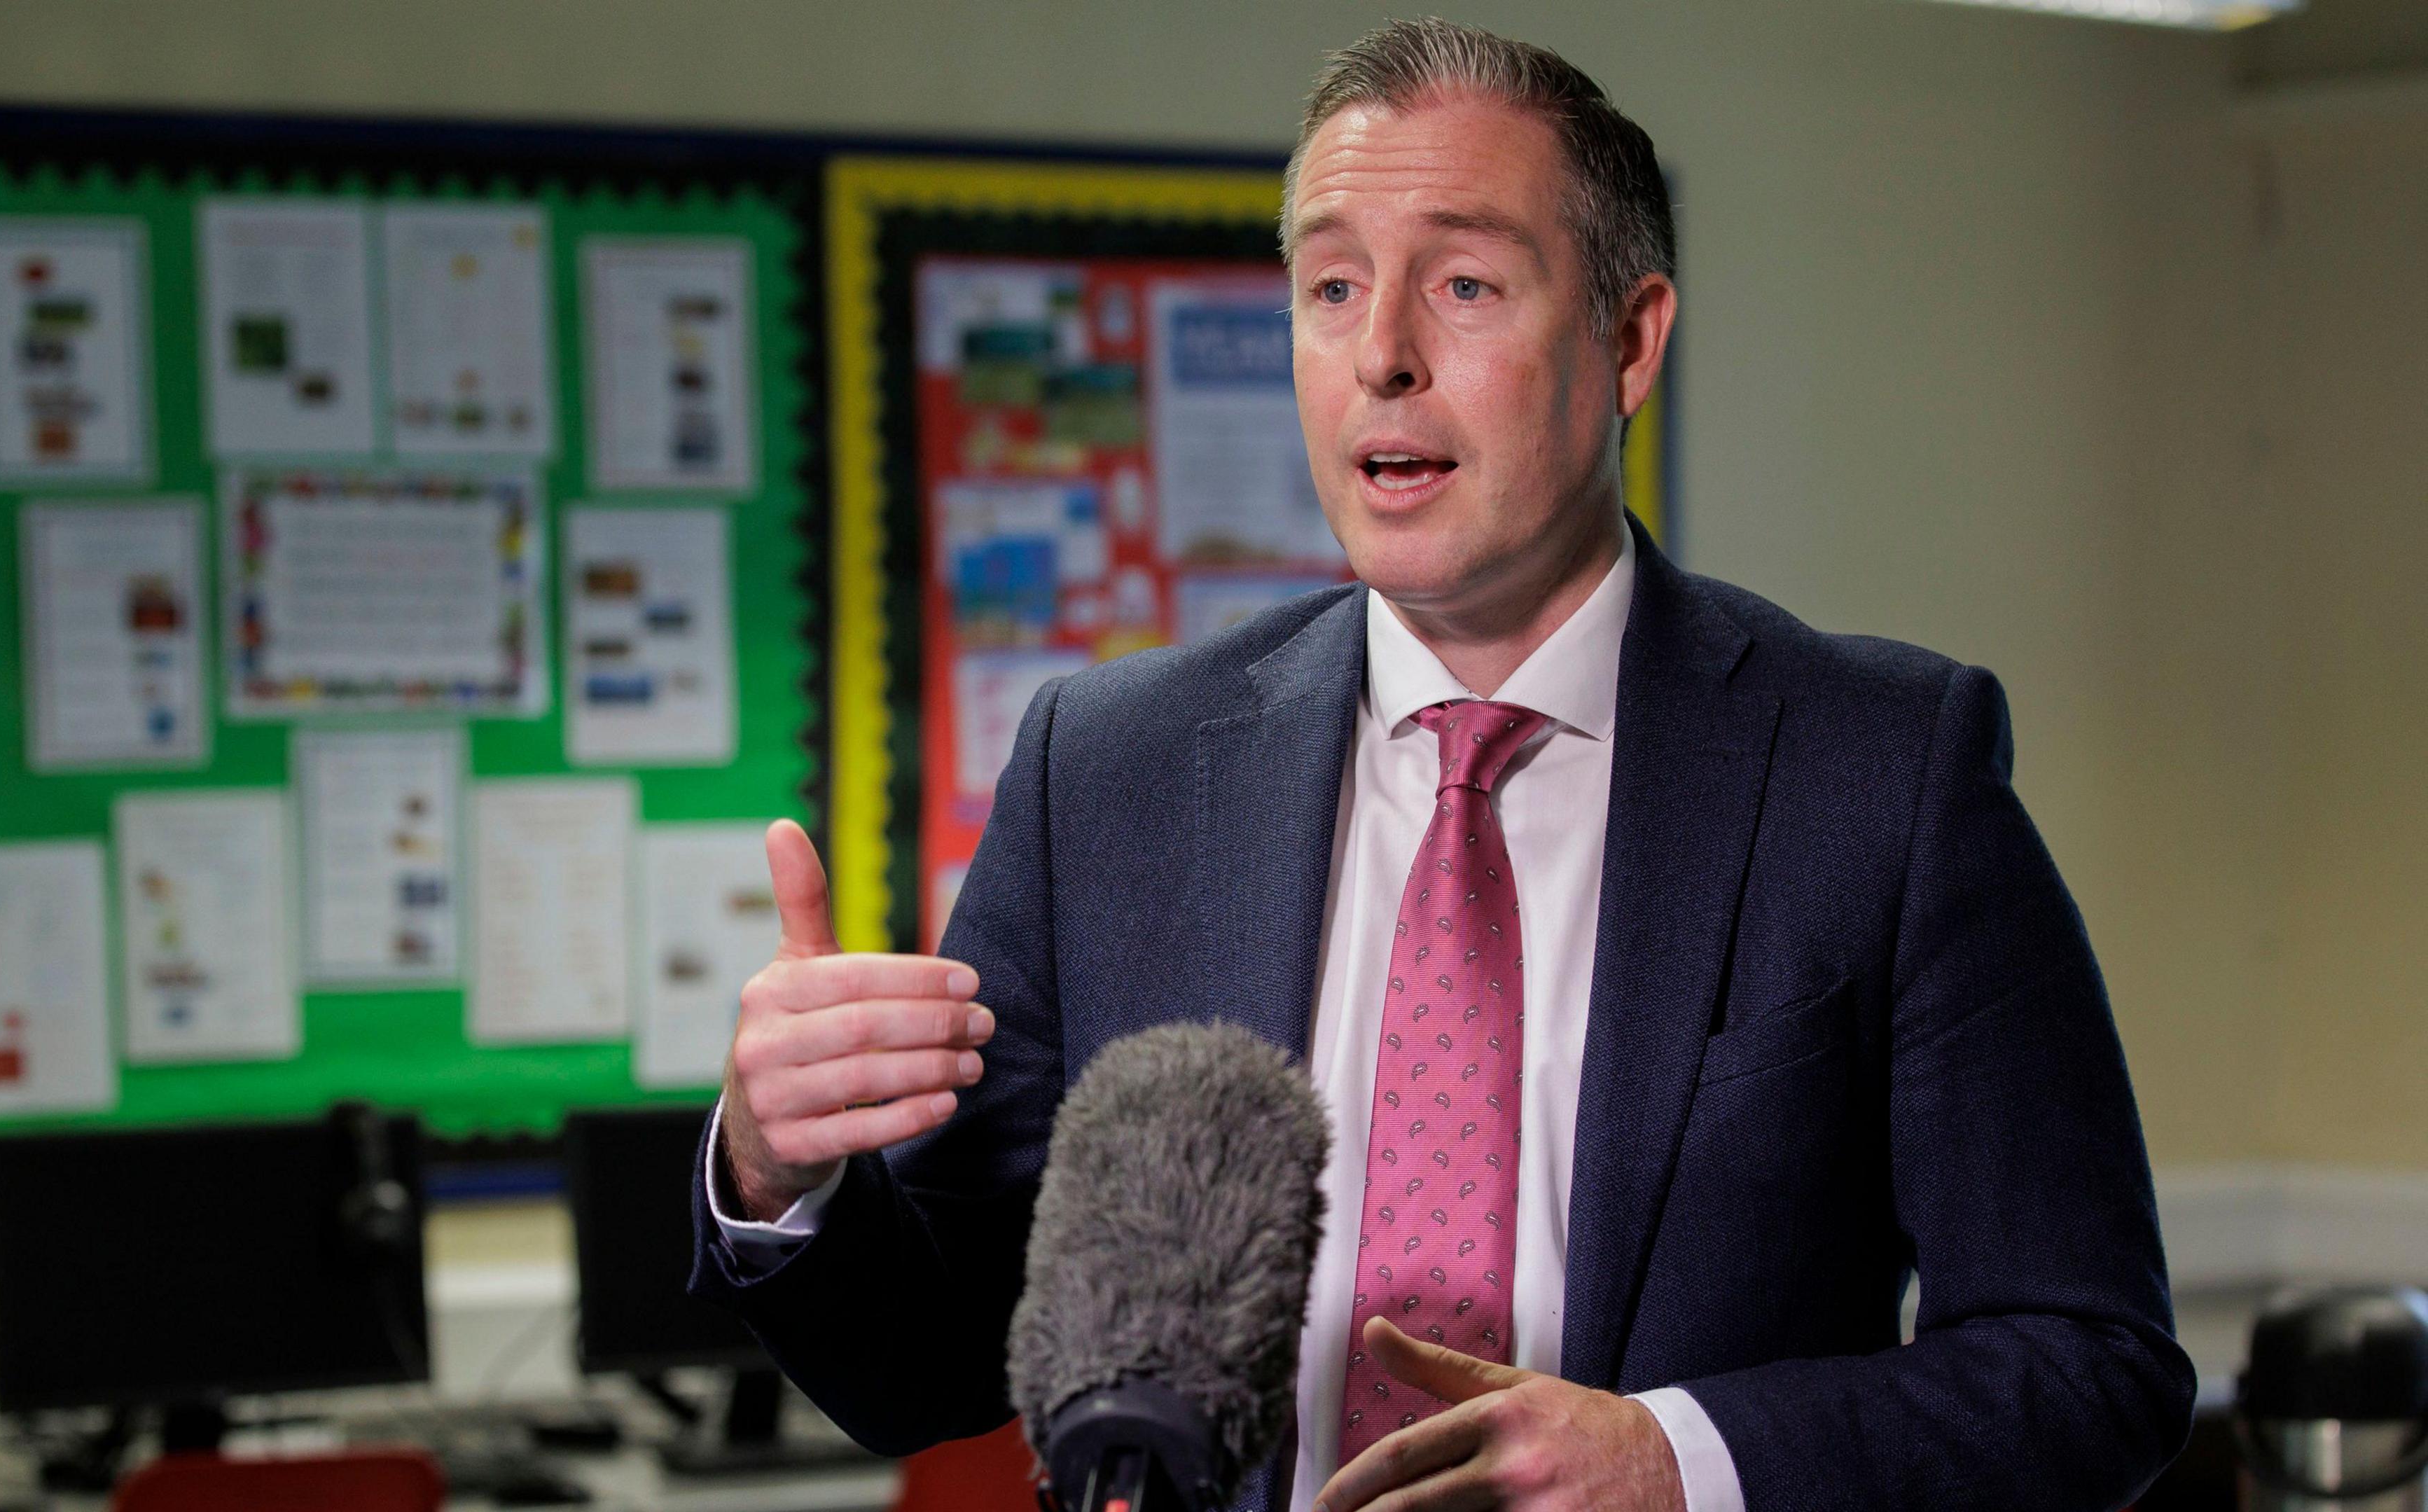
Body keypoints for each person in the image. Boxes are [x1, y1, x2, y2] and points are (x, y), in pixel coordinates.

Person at [689, 18, 2193, 1511]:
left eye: (1464, 285)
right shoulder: (1111, 772)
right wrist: (778, 1172)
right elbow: (930, 1361)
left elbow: (2089, 1365)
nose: (1383, 356)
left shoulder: (1883, 772)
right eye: (1331, 287)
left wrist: (1676, 1462)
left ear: (1628, 338)